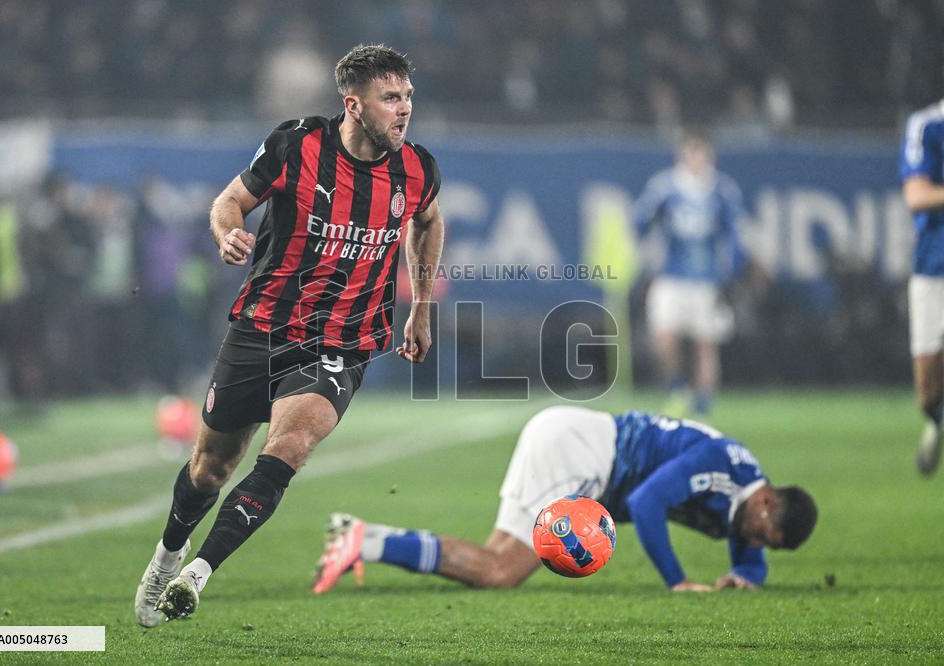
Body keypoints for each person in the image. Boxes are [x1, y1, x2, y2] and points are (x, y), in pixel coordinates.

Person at [134, 44, 444, 626]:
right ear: (353, 105)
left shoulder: (417, 168)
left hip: (344, 341)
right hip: (263, 328)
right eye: (390, 98)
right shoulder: (295, 145)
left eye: (407, 97)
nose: (404, 110)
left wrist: (420, 307)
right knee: (211, 468)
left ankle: (197, 574)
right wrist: (228, 233)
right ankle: (167, 554)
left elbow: (427, 220)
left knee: (289, 448)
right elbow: (230, 201)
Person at [313, 407, 817, 593]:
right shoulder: (721, 467)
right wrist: (679, 581)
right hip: (582, 453)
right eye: (761, 536)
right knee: (502, 573)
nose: (753, 542)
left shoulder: (752, 493)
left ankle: (367, 538)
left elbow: (751, 550)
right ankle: (366, 541)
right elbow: (644, 503)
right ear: (768, 502)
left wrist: (746, 575)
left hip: (576, 447)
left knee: (493, 566)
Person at [632, 131, 745, 417]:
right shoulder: (665, 187)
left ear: (709, 156)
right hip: (671, 275)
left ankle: (704, 400)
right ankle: (676, 386)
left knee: (705, 344)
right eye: (691, 153)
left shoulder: (722, 190)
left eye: (701, 153)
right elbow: (640, 220)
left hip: (706, 279)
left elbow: (733, 234)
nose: (696, 159)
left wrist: (731, 271)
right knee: (664, 338)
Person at [900, 98, 944, 476]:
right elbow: (916, 196)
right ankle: (936, 419)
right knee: (927, 387)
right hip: (935, 267)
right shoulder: (927, 126)